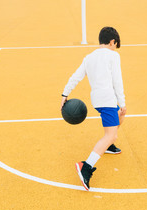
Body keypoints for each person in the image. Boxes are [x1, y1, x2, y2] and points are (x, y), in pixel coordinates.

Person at [61, 26, 126, 191]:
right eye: (115, 45)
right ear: (113, 42)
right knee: (111, 134)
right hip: (108, 99)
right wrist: (122, 101)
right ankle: (86, 167)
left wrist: (64, 94)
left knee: (120, 114)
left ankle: (108, 146)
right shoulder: (113, 55)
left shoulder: (89, 57)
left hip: (97, 99)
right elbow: (117, 81)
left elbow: (76, 76)